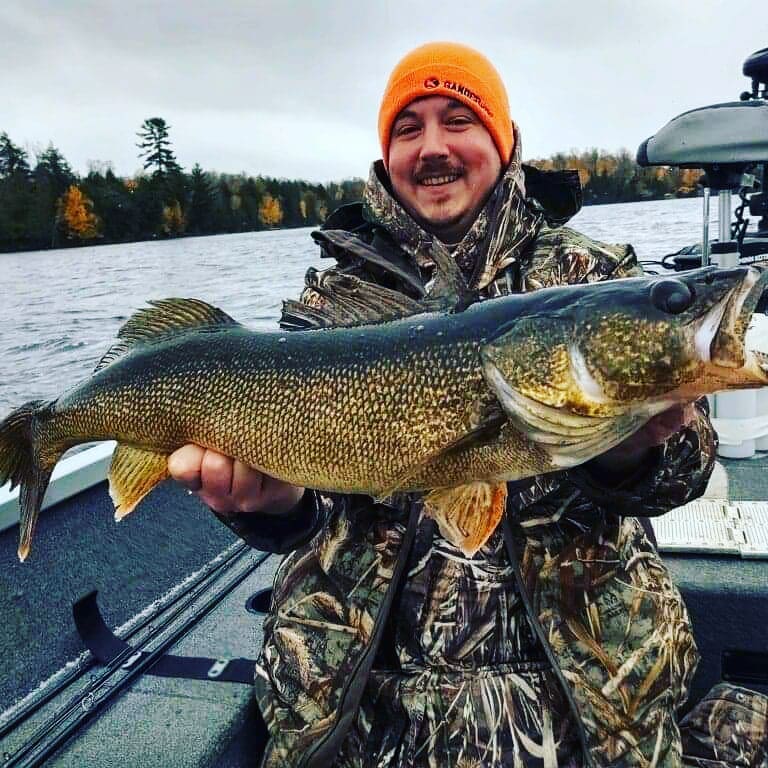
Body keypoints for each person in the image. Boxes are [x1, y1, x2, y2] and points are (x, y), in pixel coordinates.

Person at [167, 43, 757, 768]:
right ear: (387, 156)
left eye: (458, 120)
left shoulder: (595, 275)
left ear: (502, 141)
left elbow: (687, 469)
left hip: (588, 697)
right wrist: (271, 507)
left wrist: (635, 452)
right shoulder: (331, 308)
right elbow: (309, 514)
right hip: (369, 703)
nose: (433, 147)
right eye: (407, 128)